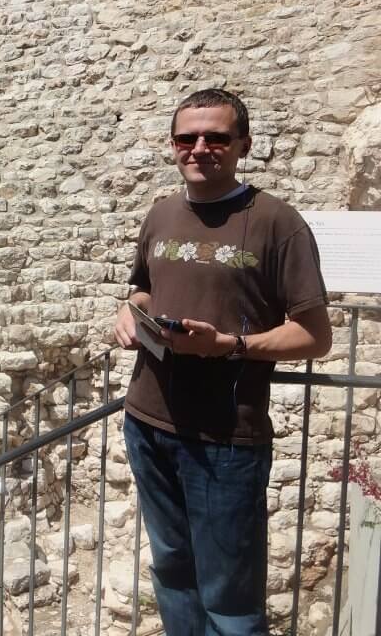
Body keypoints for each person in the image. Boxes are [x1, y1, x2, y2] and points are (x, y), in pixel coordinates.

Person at [113, 88, 333, 636]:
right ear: (173, 145)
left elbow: (314, 335)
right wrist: (128, 311)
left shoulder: (279, 224)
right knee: (172, 573)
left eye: (216, 137)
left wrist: (229, 346)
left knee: (229, 603)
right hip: (147, 423)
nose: (200, 147)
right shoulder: (161, 215)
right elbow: (143, 288)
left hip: (225, 439)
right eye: (187, 138)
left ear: (244, 145)